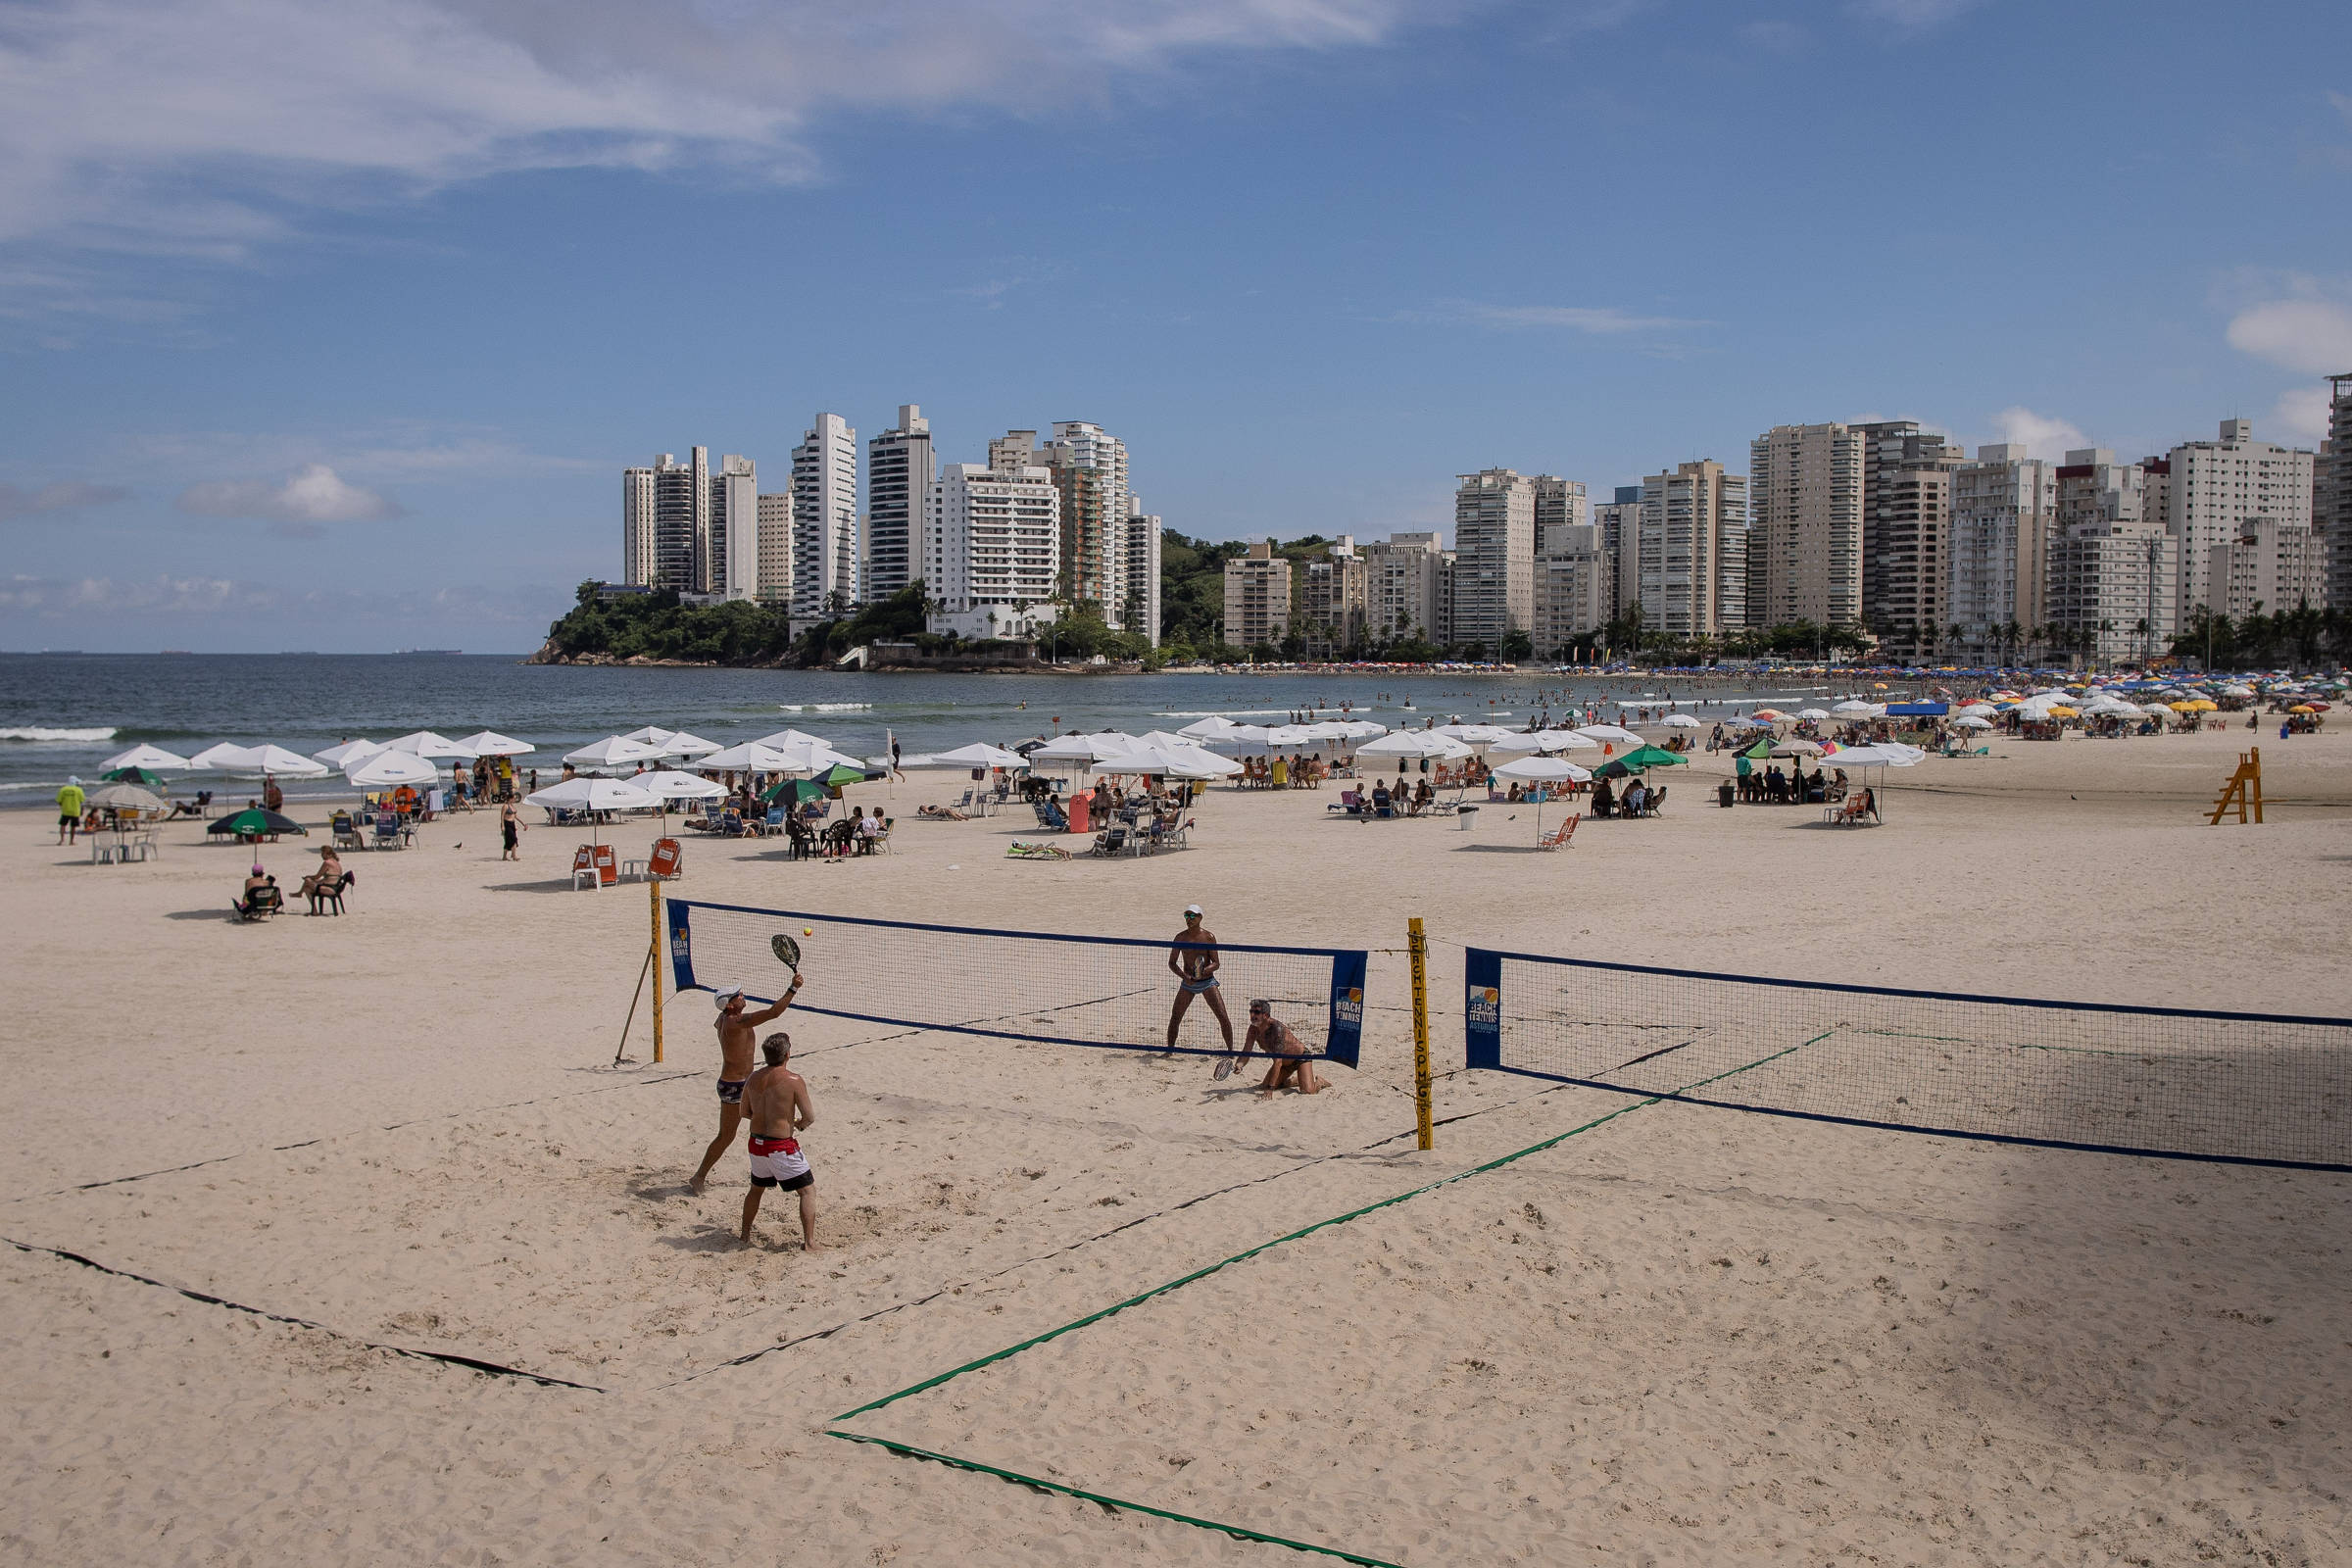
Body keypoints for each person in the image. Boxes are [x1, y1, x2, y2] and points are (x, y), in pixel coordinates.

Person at [691, 979, 802, 1194]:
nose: (742, 995)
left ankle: (772, 1169)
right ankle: (698, 1177)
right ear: (729, 1005)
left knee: (754, 1124)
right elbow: (773, 1013)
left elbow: (719, 1025)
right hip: (736, 1086)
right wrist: (793, 989)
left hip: (738, 1083)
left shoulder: (723, 1019)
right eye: (738, 995)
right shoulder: (737, 1022)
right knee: (727, 1135)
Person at [739, 1032, 818, 1250]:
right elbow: (809, 1117)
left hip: (756, 1144)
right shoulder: (793, 1080)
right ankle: (810, 1243)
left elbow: (744, 1112)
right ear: (787, 1054)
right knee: (807, 1191)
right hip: (780, 1146)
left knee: (756, 1189)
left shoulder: (753, 1078)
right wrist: (797, 1124)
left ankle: (744, 1235)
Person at [1165, 905, 1235, 1053]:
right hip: (1188, 982)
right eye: (1187, 916)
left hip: (1207, 982)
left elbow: (1216, 963)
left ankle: (1231, 1052)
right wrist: (1185, 976)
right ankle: (1169, 1051)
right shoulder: (1180, 937)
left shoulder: (1208, 937)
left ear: (1200, 918)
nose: (1189, 919)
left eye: (1192, 916)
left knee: (1223, 1016)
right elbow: (1172, 963)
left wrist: (1202, 971)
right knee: (1175, 1017)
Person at [1243, 999, 1324, 1098]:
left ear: (1266, 1015)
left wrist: (1270, 1089)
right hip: (1284, 1065)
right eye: (1251, 1011)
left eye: (1257, 1012)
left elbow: (1277, 1062)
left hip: (1300, 1058)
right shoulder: (1253, 1029)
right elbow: (1245, 1052)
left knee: (1307, 1091)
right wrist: (1239, 1065)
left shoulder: (1277, 1029)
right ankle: (1297, 1080)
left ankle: (1320, 1082)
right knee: (1264, 1086)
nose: (1252, 1015)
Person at [56, 776, 85, 844]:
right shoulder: (79, 790)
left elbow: (59, 800)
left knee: (63, 825)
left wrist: (62, 806)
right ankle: (71, 841)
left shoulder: (63, 789)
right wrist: (82, 810)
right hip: (75, 811)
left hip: (65, 810)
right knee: (73, 826)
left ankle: (62, 840)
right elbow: (82, 801)